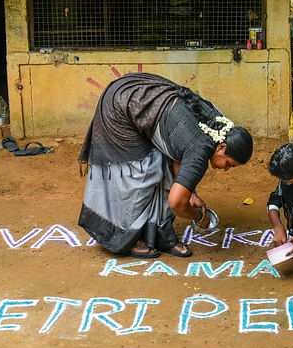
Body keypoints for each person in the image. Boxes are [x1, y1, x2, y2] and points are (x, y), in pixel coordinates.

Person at [78, 72, 253, 258]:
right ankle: (125, 237)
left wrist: (191, 193)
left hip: (138, 94)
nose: (225, 169)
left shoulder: (218, 124)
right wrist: (199, 218)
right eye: (229, 164)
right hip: (119, 106)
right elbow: (176, 203)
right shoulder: (200, 149)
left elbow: (177, 150)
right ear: (222, 147)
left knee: (164, 167)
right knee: (142, 173)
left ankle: (159, 234)